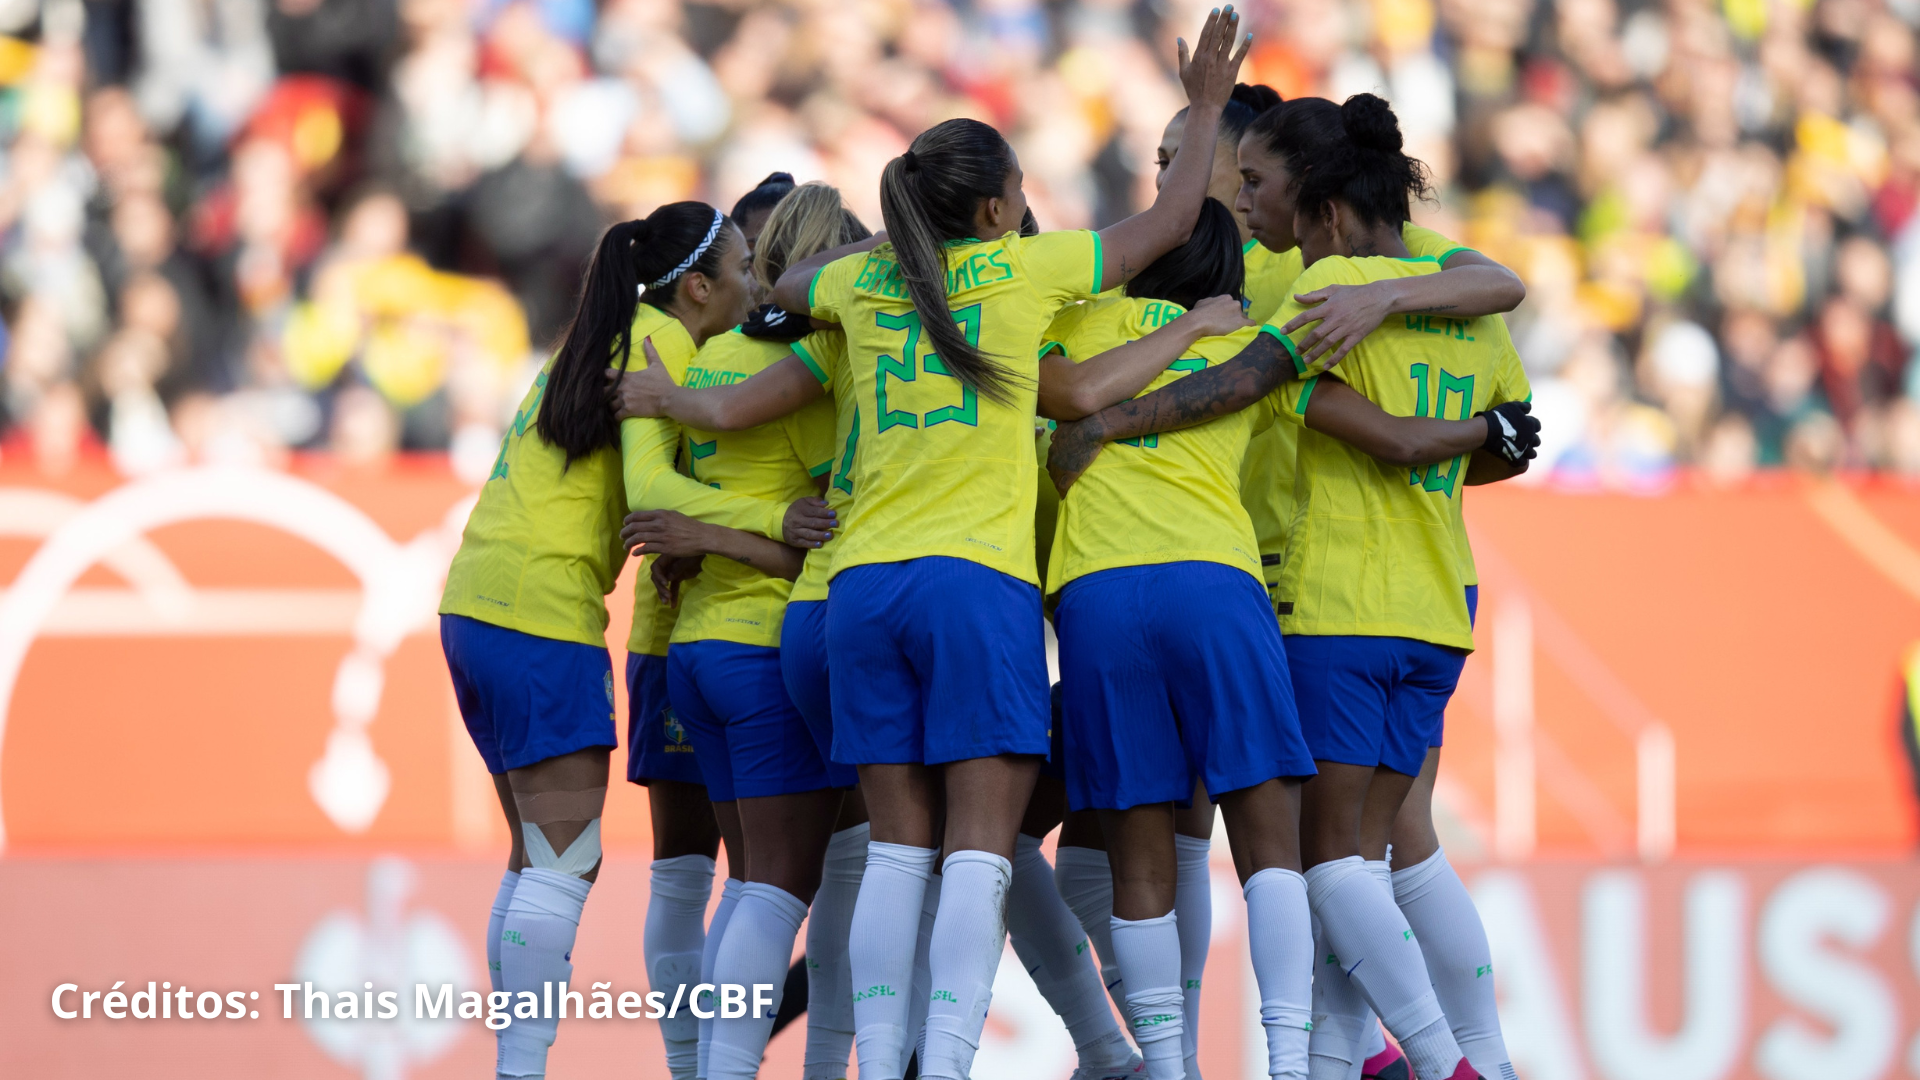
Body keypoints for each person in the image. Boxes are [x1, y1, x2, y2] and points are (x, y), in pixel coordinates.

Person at [1045, 94, 1540, 1080]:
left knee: (1315, 859)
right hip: (1435, 600)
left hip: (1318, 596)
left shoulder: (1313, 289)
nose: (1230, 194)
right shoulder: (1442, 281)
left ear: (1313, 198)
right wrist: (1481, 433)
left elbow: (1244, 385)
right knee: (1385, 852)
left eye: (1244, 177)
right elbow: (1507, 391)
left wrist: (1108, 422)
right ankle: (1392, 1059)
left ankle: (1434, 1062)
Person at [609, 195, 1149, 1080]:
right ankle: (960, 1058)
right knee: (933, 858)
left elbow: (682, 465)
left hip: (743, 636)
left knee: (813, 874)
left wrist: (702, 527)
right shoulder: (853, 348)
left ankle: (776, 1064)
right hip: (861, 606)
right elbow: (822, 510)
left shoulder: (715, 358)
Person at [437, 200, 834, 1080]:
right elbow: (657, 483)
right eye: (741, 270)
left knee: (537, 859)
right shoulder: (669, 351)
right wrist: (777, 516)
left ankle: (520, 1063)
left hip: (475, 604)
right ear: (698, 287)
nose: (753, 287)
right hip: (543, 616)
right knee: (564, 863)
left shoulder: (596, 338)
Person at [619, 181, 872, 1080]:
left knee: (753, 885)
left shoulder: (710, 356)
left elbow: (674, 494)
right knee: (781, 892)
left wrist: (712, 535)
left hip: (694, 648)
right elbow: (826, 534)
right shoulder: (814, 370)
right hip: (771, 650)